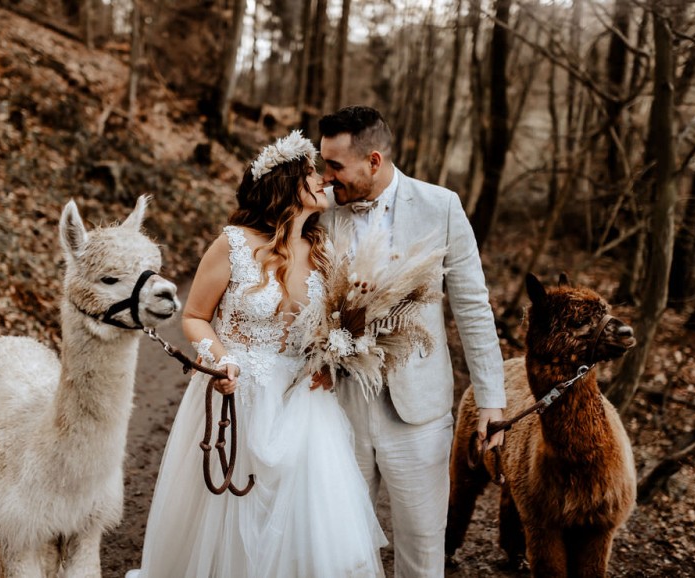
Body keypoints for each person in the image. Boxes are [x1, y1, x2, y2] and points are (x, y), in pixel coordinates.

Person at [126, 130, 386, 578]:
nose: (324, 181)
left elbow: (328, 329)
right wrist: (219, 360)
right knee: (230, 528)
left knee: (300, 535)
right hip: (237, 397)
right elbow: (194, 316)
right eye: (312, 175)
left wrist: (332, 360)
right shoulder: (234, 243)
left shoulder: (324, 252)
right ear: (285, 185)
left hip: (304, 409)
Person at [318, 105, 506, 577]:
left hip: (418, 414)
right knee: (340, 550)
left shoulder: (441, 206)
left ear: (374, 161)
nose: (326, 176)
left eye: (336, 165)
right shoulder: (319, 213)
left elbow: (473, 307)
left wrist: (491, 402)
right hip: (336, 409)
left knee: (422, 553)